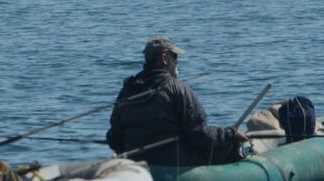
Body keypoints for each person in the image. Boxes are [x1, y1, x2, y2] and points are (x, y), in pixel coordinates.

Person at [106, 36, 248, 168]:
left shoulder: (127, 91)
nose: (177, 61)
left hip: (138, 163)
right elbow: (200, 135)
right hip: (175, 163)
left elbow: (114, 139)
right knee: (230, 147)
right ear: (164, 58)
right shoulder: (178, 89)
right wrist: (231, 134)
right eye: (174, 56)